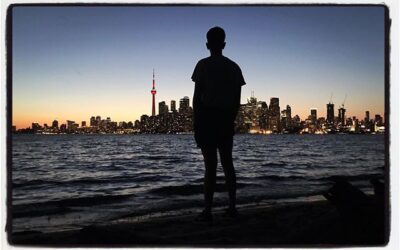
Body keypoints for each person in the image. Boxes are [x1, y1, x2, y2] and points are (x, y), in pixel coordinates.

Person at [191, 26, 246, 222]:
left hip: (207, 119)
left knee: (210, 166)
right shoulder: (234, 67)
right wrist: (230, 119)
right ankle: (232, 207)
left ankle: (207, 210)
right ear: (224, 44)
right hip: (224, 119)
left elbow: (197, 99)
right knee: (228, 164)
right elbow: (237, 101)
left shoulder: (202, 65)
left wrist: (196, 124)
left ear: (207, 45)